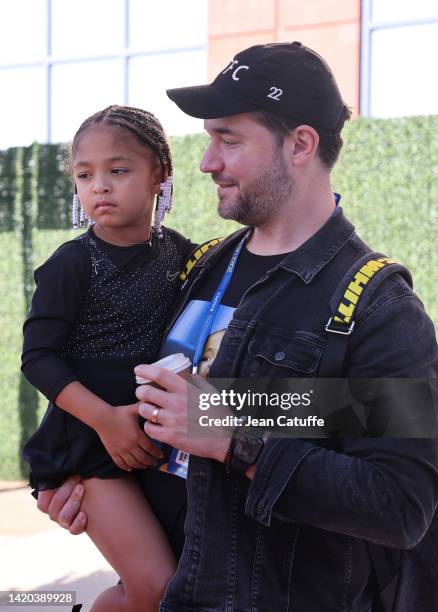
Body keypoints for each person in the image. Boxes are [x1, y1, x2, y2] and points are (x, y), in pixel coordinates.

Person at [37, 43, 438, 611]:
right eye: (208, 139)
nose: (206, 162)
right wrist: (81, 478)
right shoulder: (199, 267)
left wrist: (232, 435)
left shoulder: (378, 308)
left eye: (229, 139)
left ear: (300, 144)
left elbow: (401, 505)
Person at [21, 105, 195, 612]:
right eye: (84, 174)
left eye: (118, 170)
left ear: (159, 175)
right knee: (155, 587)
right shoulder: (71, 264)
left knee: (172, 586)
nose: (99, 185)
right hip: (87, 446)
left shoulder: (185, 256)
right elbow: (38, 357)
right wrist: (106, 422)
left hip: (155, 442)